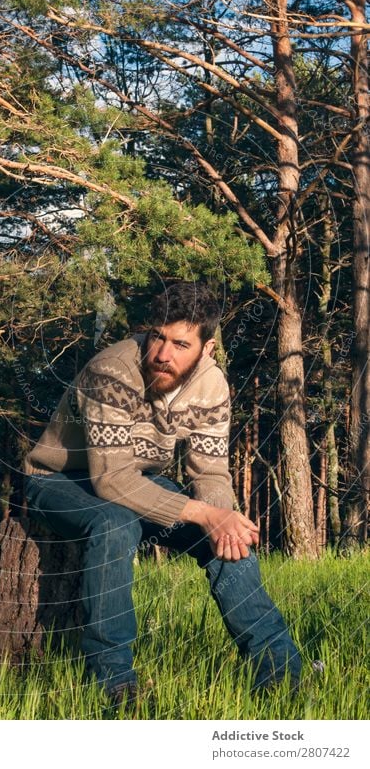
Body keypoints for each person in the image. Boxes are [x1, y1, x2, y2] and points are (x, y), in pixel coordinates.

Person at [24, 281, 302, 703]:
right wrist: (205, 515)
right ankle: (114, 683)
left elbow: (209, 472)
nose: (162, 354)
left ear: (207, 349)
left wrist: (221, 521)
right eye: (157, 336)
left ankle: (280, 672)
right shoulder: (113, 371)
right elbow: (110, 481)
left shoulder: (213, 386)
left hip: (138, 477)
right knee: (114, 523)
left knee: (229, 538)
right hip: (57, 479)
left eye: (180, 343)